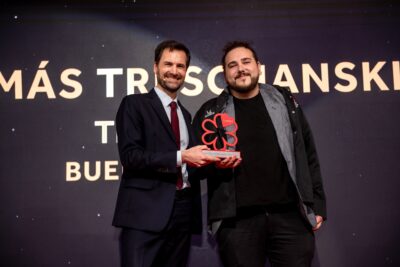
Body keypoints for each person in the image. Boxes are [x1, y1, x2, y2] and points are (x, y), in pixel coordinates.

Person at [193, 41, 327, 267]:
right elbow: (196, 165)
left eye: (246, 62)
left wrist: (317, 204)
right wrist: (216, 163)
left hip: (290, 218)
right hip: (238, 223)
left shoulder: (285, 102)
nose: (240, 69)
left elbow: (308, 153)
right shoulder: (210, 112)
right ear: (225, 74)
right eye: (232, 65)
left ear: (258, 66)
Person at [112, 40, 218, 267]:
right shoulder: (134, 104)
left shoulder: (185, 114)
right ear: (155, 67)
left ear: (186, 71)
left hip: (182, 213)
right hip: (144, 214)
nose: (174, 71)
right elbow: (131, 157)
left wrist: (218, 161)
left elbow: (192, 165)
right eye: (168, 64)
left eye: (180, 66)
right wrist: (182, 156)